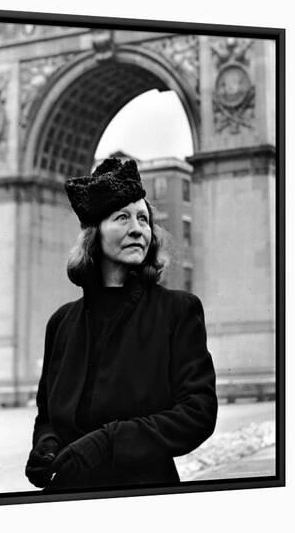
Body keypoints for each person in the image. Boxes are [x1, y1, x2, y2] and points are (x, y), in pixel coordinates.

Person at [25, 157, 217, 491]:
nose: (138, 229)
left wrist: (109, 443)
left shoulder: (178, 311)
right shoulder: (61, 322)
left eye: (144, 219)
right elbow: (47, 416)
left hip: (144, 493)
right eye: (123, 217)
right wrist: (46, 445)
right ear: (93, 233)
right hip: (68, 497)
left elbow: (198, 413)